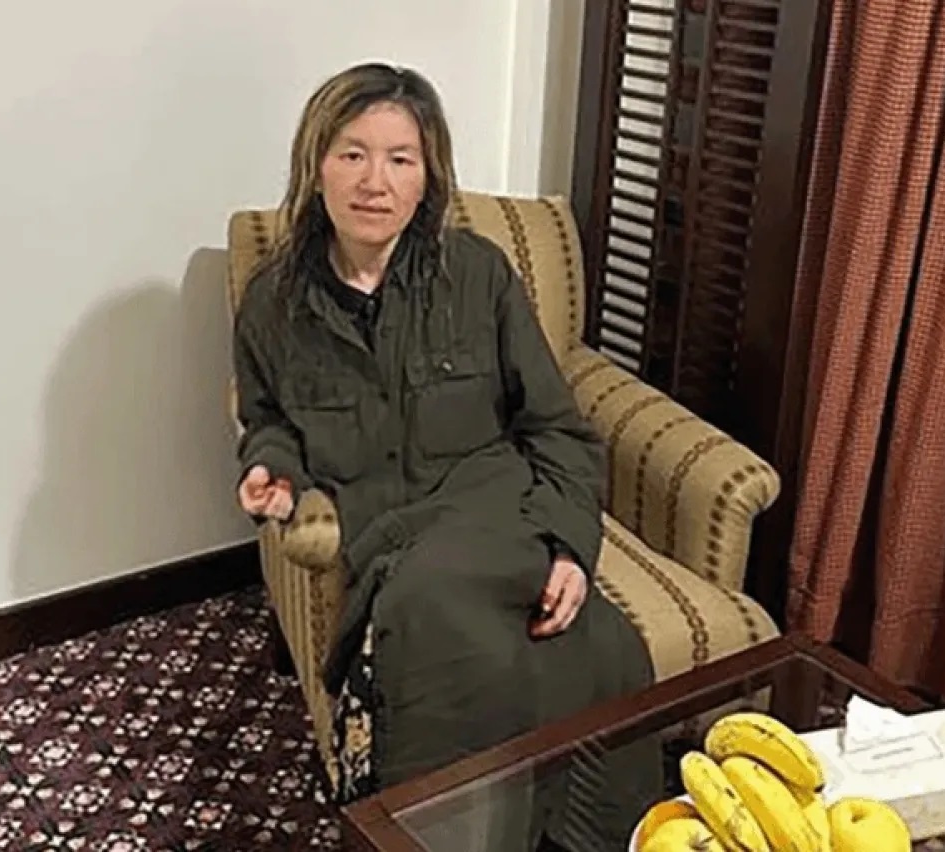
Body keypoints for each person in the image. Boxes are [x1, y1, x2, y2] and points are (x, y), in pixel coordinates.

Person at [232, 61, 663, 850]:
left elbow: (558, 429)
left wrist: (571, 547)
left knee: (605, 653)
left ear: (427, 177)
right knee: (447, 650)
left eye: (401, 158)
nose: (375, 181)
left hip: (502, 519)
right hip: (395, 542)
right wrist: (272, 469)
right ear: (315, 165)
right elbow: (267, 419)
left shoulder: (478, 274)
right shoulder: (272, 302)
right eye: (352, 153)